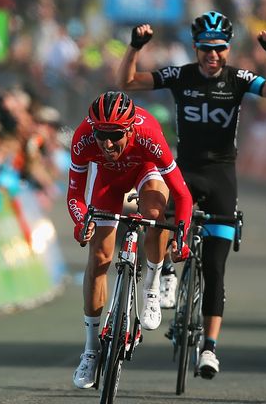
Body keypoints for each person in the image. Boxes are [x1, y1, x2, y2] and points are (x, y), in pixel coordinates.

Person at [117, 10, 266, 379]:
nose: (212, 55)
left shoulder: (237, 79)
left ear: (228, 49)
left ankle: (209, 349)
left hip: (221, 175)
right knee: (161, 217)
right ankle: (166, 270)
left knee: (215, 269)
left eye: (218, 49)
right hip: (183, 168)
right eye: (205, 49)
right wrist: (134, 47)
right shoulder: (180, 75)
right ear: (195, 48)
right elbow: (128, 82)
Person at [68, 91, 193, 389]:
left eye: (115, 135)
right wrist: (79, 223)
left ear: (131, 129)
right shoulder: (83, 138)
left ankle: (151, 282)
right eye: (101, 134)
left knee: (153, 213)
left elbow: (182, 195)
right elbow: (75, 195)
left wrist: (182, 236)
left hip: (145, 172)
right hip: (107, 181)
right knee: (99, 259)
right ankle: (90, 350)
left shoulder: (149, 135)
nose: (107, 143)